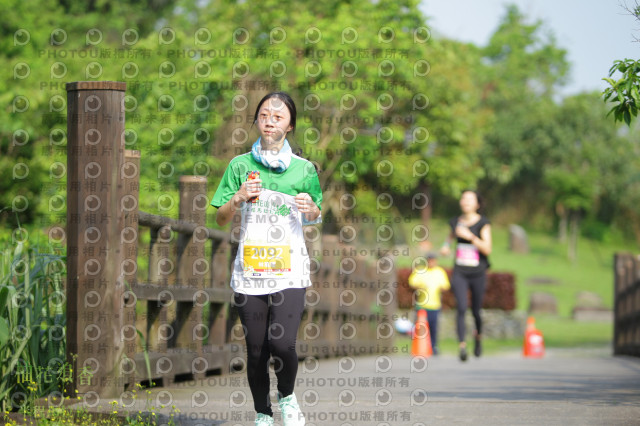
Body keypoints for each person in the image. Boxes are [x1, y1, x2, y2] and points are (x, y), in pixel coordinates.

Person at [210, 92, 322, 426]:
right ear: (256, 120)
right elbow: (220, 219)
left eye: (278, 117)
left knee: (283, 343)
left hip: (290, 270)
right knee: (257, 348)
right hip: (251, 271)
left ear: (290, 125)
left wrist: (311, 209)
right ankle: (263, 413)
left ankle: (287, 397)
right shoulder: (239, 166)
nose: (269, 121)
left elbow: (315, 214)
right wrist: (238, 198)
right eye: (264, 115)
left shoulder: (305, 170)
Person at [440, 190, 492, 362]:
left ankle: (478, 338)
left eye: (470, 199)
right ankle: (462, 346)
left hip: (478, 272)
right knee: (461, 307)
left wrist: (470, 236)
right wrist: (446, 246)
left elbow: (487, 249)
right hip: (460, 271)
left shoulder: (483, 223)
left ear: (477, 204)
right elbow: (449, 238)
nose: (466, 201)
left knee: (476, 310)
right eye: (463, 198)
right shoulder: (456, 222)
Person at [407, 252, 450, 355]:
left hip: (434, 305)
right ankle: (419, 347)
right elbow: (412, 282)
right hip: (422, 306)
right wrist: (420, 286)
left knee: (433, 327)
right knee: (420, 328)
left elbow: (446, 285)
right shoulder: (420, 270)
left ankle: (433, 347)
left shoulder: (439, 272)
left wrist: (442, 288)